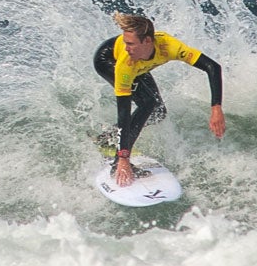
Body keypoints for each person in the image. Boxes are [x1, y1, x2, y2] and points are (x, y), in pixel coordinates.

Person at [93, 11, 224, 187]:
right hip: (107, 61)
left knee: (158, 112)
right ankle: (118, 159)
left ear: (147, 41)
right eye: (125, 43)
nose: (126, 47)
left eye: (130, 43)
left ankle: (107, 137)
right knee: (148, 103)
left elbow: (212, 67)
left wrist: (216, 108)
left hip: (140, 65)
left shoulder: (169, 47)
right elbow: (123, 112)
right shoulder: (126, 62)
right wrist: (123, 157)